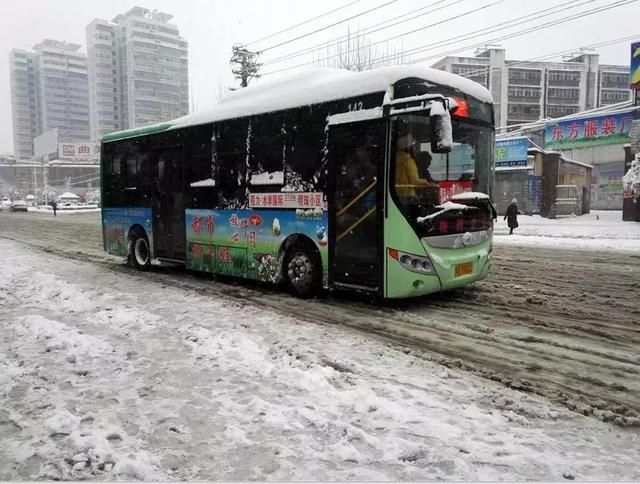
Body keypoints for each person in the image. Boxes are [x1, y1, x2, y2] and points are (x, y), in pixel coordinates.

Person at [395, 133, 438, 199]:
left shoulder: (396, 158)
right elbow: (414, 181)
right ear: (408, 147)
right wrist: (427, 183)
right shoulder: (407, 160)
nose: (415, 148)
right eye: (413, 146)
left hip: (397, 193)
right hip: (407, 195)